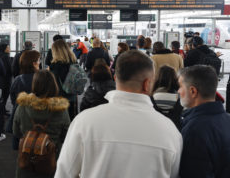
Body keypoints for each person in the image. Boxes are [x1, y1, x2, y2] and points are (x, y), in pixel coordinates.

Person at [55, 50, 182, 178]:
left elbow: (64, 172)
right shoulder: (170, 131)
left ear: (115, 78)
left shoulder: (84, 122)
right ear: (147, 83)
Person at [13, 70, 70, 178]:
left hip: (26, 160)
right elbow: (66, 135)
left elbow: (15, 131)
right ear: (54, 85)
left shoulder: (23, 106)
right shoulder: (61, 110)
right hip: (50, 162)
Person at [178, 65, 230, 178]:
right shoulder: (227, 119)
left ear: (193, 91)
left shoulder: (194, 130)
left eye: (180, 86)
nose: (178, 91)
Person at [8, 50, 41, 149]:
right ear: (34, 63)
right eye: (38, 60)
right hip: (39, 117)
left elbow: (13, 97)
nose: (40, 62)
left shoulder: (18, 79)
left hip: (22, 117)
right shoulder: (42, 78)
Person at [49, 39, 78, 120]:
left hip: (59, 99)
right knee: (72, 119)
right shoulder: (74, 62)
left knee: (60, 123)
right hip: (72, 97)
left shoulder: (54, 66)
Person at [152, 65, 183, 130]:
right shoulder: (179, 97)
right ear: (175, 77)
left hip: (156, 129)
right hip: (175, 130)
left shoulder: (152, 96)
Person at [0, 43, 12, 114]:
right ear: (4, 49)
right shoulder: (6, 57)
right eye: (8, 47)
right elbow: (9, 68)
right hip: (6, 79)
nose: (9, 49)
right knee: (5, 95)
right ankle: (2, 110)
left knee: (1, 96)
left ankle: (1, 109)